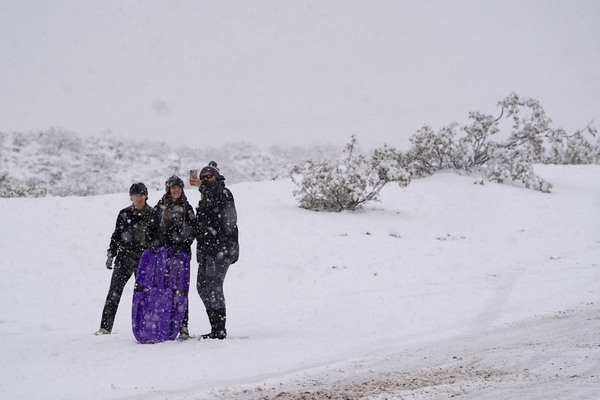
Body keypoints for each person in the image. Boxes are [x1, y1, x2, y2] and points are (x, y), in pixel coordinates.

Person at [189, 161, 239, 340]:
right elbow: (202, 226)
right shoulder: (205, 197)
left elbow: (224, 221)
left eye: (209, 176)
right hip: (208, 250)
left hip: (222, 249)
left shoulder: (223, 192)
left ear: (217, 178)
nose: (205, 180)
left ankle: (220, 330)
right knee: (202, 287)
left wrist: (202, 187)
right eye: (203, 177)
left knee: (214, 286)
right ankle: (215, 327)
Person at [95, 182, 152, 335]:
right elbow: (116, 236)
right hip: (124, 258)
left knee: (145, 295)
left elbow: (157, 239)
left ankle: (146, 326)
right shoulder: (124, 214)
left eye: (141, 195)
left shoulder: (153, 214)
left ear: (146, 196)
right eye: (135, 195)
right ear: (131, 197)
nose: (138, 198)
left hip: (144, 260)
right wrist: (110, 254)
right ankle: (105, 327)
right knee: (114, 292)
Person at [146, 175, 197, 340]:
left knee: (180, 290)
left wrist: (181, 245)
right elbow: (150, 229)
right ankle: (162, 322)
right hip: (161, 257)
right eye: (173, 187)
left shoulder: (187, 208)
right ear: (168, 189)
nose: (175, 190)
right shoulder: (159, 207)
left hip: (180, 256)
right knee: (161, 289)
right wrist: (153, 243)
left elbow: (192, 231)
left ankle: (183, 325)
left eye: (178, 187)